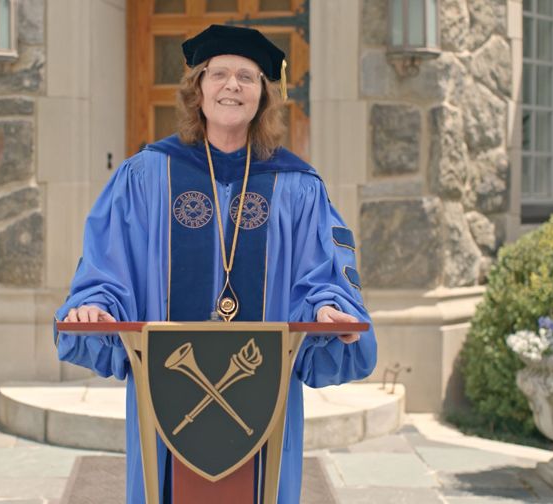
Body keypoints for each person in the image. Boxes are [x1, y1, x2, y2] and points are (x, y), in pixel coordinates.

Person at [55, 24, 377, 503]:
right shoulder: (147, 175)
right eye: (219, 74)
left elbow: (323, 272)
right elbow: (109, 258)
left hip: (262, 385)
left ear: (263, 95)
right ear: (198, 89)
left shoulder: (297, 185)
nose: (232, 86)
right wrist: (94, 304)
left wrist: (328, 309)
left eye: (246, 77)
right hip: (166, 382)